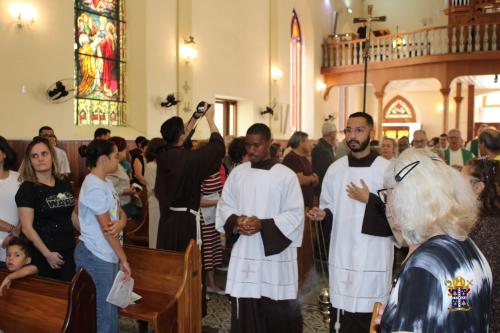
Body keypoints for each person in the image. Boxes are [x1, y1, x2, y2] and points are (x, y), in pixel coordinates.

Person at [378, 149, 492, 332]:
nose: (387, 204)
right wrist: (395, 315)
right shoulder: (467, 246)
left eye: (388, 194)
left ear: (406, 199)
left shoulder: (422, 267)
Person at [308, 112, 394, 333]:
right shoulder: (336, 169)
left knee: (368, 311)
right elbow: (329, 205)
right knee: (342, 313)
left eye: (359, 130)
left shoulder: (386, 169)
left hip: (373, 254)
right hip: (342, 250)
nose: (352, 135)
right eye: (348, 130)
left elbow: (398, 216)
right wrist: (323, 214)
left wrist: (370, 200)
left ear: (371, 133)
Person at [216, 123, 304, 333]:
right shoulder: (238, 173)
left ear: (269, 143)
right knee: (246, 308)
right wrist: (237, 221)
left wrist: (262, 225)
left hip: (274, 256)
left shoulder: (285, 175)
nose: (251, 150)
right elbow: (225, 205)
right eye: (248, 145)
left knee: (274, 308)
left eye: (257, 145)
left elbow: (295, 214)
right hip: (245, 250)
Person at [76, 139, 130, 333]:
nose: (119, 159)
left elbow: (119, 213)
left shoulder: (105, 181)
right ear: (103, 159)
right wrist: (124, 259)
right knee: (103, 312)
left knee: (110, 307)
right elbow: (108, 230)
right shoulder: (94, 186)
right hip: (97, 254)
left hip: (107, 251)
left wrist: (122, 222)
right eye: (115, 156)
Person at [155, 102, 225, 252]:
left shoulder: (163, 155)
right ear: (181, 135)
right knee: (186, 266)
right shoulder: (188, 159)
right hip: (184, 224)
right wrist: (210, 119)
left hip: (167, 220)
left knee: (169, 263)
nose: (186, 130)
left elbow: (180, 138)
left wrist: (195, 117)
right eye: (183, 130)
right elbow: (218, 148)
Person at [16, 136, 76, 281]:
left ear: (52, 156)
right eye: (34, 156)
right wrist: (47, 254)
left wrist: (88, 233)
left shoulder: (64, 182)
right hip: (42, 253)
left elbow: (71, 214)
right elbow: (26, 228)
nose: (40, 159)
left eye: (44, 154)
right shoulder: (27, 188)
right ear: (30, 161)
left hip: (68, 248)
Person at [463, 158, 499, 332]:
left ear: (478, 188)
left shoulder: (490, 229)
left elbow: (479, 281)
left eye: (460, 181)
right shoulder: (478, 223)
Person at [107, 136, 142, 220]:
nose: (126, 151)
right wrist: (127, 191)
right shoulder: (112, 167)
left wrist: (131, 189)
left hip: (124, 203)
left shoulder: (118, 165)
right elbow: (108, 191)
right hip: (120, 206)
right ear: (117, 151)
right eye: (125, 149)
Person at [282, 131, 318, 208]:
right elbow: (300, 180)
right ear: (301, 142)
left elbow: (315, 179)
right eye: (307, 141)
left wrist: (312, 179)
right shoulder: (291, 158)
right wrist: (312, 178)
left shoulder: (304, 158)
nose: (310, 144)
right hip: (296, 204)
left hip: (307, 203)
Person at [0, 137, 20, 268]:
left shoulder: (18, 178)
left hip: (15, 247)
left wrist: (18, 232)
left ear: (4, 153)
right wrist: (12, 230)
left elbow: (27, 209)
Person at [143, 137, 165, 249]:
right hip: (156, 202)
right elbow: (155, 189)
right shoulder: (151, 166)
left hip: (162, 202)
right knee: (155, 231)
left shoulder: (159, 165)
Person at [311, 122, 337, 196]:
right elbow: (323, 170)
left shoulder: (327, 147)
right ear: (330, 134)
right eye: (335, 132)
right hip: (323, 187)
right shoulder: (321, 149)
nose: (336, 134)